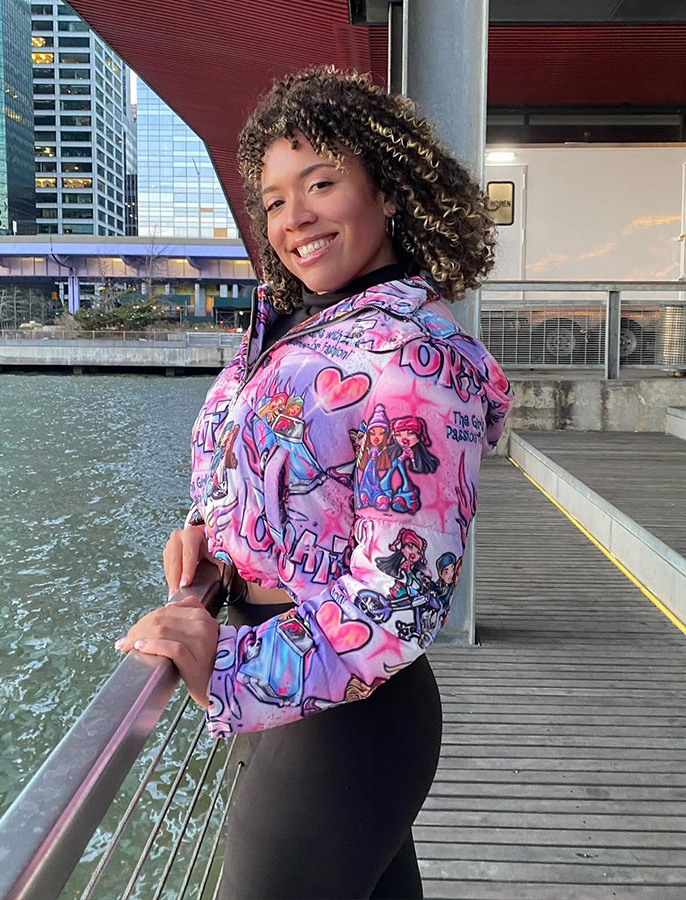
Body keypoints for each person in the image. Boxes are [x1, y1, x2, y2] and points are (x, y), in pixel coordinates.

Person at [115, 65, 514, 899]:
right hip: (299, 699)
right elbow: (275, 476)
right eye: (272, 199)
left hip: (346, 723)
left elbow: (400, 593)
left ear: (390, 189)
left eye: (322, 183)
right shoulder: (299, 328)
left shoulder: (415, 357)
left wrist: (224, 667)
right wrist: (216, 544)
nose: (293, 218)